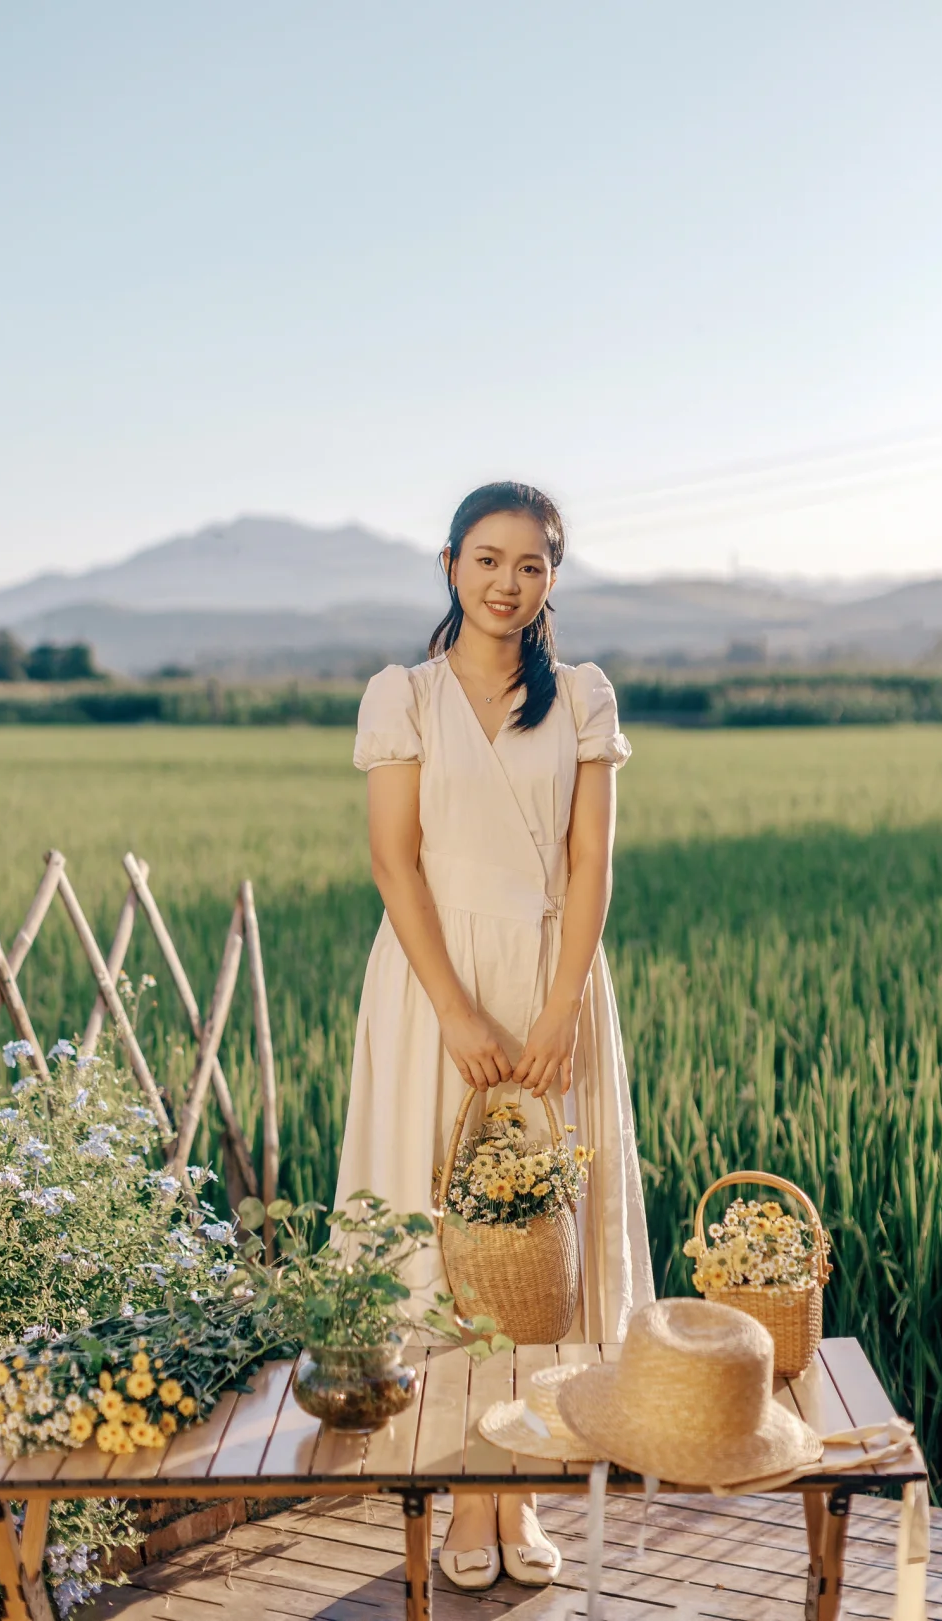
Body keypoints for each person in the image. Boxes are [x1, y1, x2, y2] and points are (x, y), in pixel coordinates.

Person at [334, 481, 655, 1590]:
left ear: (552, 578)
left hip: (553, 977)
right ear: (449, 564)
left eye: (530, 564)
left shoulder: (583, 699)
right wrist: (458, 1009)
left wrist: (560, 1008)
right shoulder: (404, 696)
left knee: (541, 1250)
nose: (507, 582)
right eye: (487, 559)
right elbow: (393, 862)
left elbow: (590, 862)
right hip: (435, 983)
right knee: (447, 1239)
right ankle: (467, 1497)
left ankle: (528, 1486)